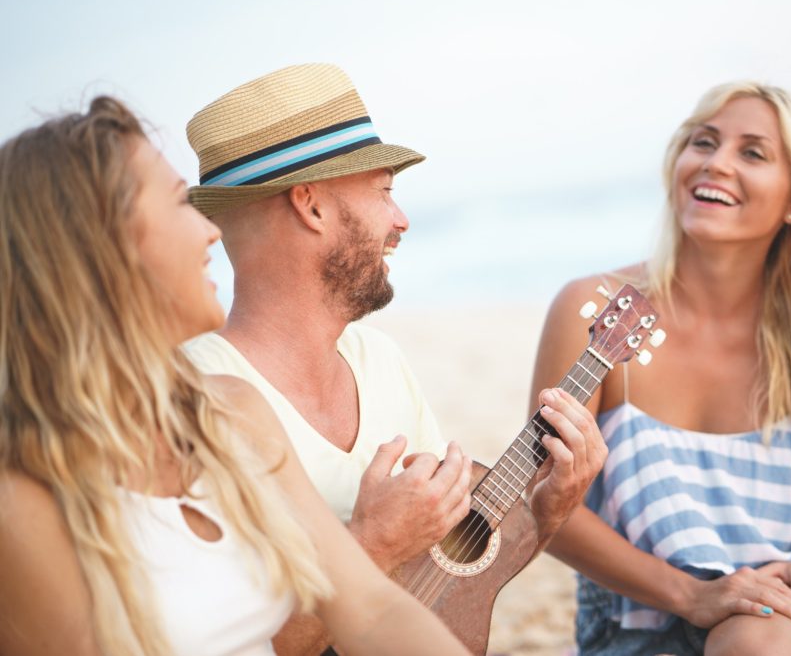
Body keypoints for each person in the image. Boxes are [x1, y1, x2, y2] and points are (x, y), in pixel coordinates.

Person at [0, 96, 476, 656]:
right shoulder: (22, 499)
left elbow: (370, 610)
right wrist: (375, 540)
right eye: (180, 203)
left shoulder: (232, 410)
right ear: (100, 246)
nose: (210, 232)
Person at [183, 64, 606, 651]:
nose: (401, 220)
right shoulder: (187, 396)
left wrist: (548, 509)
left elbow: (440, 580)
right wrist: (372, 544)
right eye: (385, 192)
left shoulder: (376, 358)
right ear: (311, 206)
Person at [530, 82, 791, 655]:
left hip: (789, 620)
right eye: (703, 142)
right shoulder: (595, 309)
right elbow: (544, 498)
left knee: (759, 641)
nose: (716, 163)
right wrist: (691, 596)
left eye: (752, 153)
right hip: (638, 628)